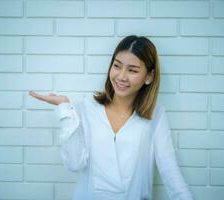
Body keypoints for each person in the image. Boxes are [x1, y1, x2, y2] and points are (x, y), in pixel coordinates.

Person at [28, 35, 193, 200]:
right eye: (117, 66)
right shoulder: (86, 107)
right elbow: (74, 163)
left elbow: (171, 175)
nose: (121, 76)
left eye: (132, 70)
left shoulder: (156, 116)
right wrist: (64, 110)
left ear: (148, 76)